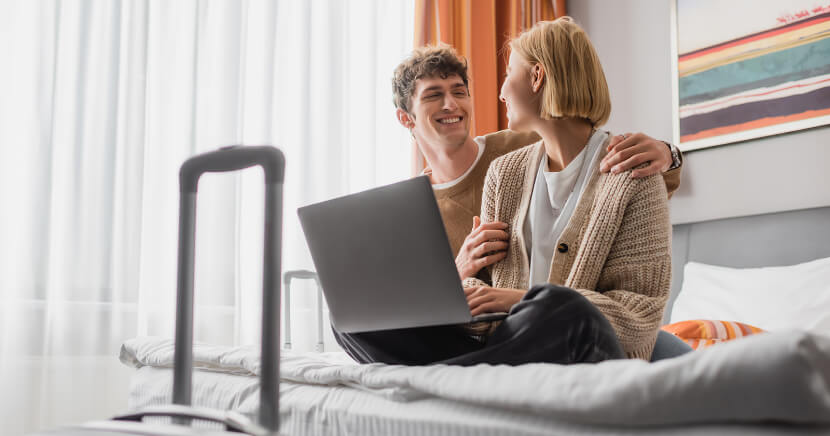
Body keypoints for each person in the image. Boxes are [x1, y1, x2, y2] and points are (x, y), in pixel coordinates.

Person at [333, 18, 674, 365]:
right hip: (504, 345)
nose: (499, 92)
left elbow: (639, 315)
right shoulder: (505, 173)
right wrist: (466, 289)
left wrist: (668, 153)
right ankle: (472, 379)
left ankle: (449, 379)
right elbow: (486, 292)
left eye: (509, 73)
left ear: (537, 77)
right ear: (407, 118)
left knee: (567, 308)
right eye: (435, 96)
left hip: (579, 343)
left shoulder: (631, 172)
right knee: (357, 313)